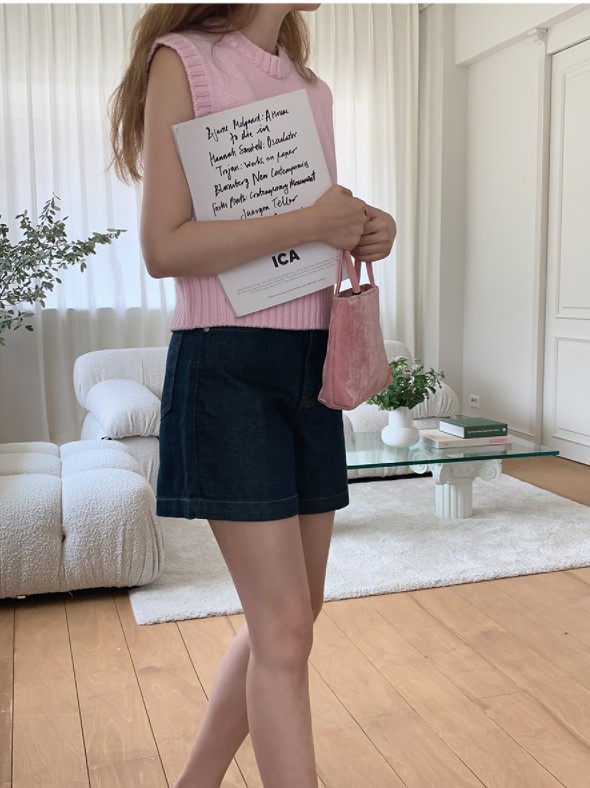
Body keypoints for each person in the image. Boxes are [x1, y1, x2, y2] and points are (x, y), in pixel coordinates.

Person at [109, 4, 396, 787]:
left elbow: (302, 232)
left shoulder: (311, 88)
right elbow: (164, 246)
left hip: (313, 363)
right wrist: (310, 220)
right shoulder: (184, 60)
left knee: (295, 620)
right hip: (226, 362)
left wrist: (365, 227)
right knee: (286, 628)